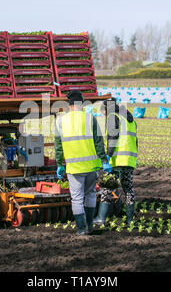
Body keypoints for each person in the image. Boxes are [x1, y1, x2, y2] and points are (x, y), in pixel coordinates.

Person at [54, 90, 111, 236]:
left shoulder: (60, 120)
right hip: (91, 166)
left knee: (77, 198)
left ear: (69, 104)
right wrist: (104, 160)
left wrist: (60, 164)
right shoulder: (90, 118)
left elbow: (58, 145)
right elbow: (98, 142)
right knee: (91, 194)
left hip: (74, 168)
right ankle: (90, 226)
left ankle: (81, 229)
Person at [94, 99, 138, 225]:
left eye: (103, 113)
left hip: (117, 159)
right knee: (128, 188)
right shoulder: (130, 120)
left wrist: (107, 155)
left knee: (107, 187)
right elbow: (136, 141)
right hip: (129, 160)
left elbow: (112, 138)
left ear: (106, 110)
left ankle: (101, 218)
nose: (103, 116)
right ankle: (130, 220)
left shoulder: (113, 116)